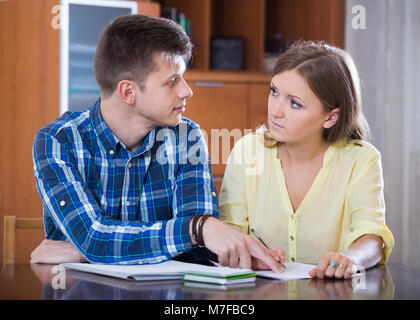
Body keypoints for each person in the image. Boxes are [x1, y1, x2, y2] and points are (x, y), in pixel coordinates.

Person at [30, 14, 283, 272]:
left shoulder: (187, 137)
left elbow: (197, 250)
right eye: (172, 81)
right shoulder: (57, 142)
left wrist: (87, 251)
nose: (187, 91)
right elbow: (95, 237)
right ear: (128, 92)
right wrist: (196, 229)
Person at [218, 40, 394, 279]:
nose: (276, 111)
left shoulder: (361, 160)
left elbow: (371, 237)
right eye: (274, 92)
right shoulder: (247, 151)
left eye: (294, 103)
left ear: (330, 117)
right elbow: (230, 232)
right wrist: (248, 252)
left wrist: (350, 259)